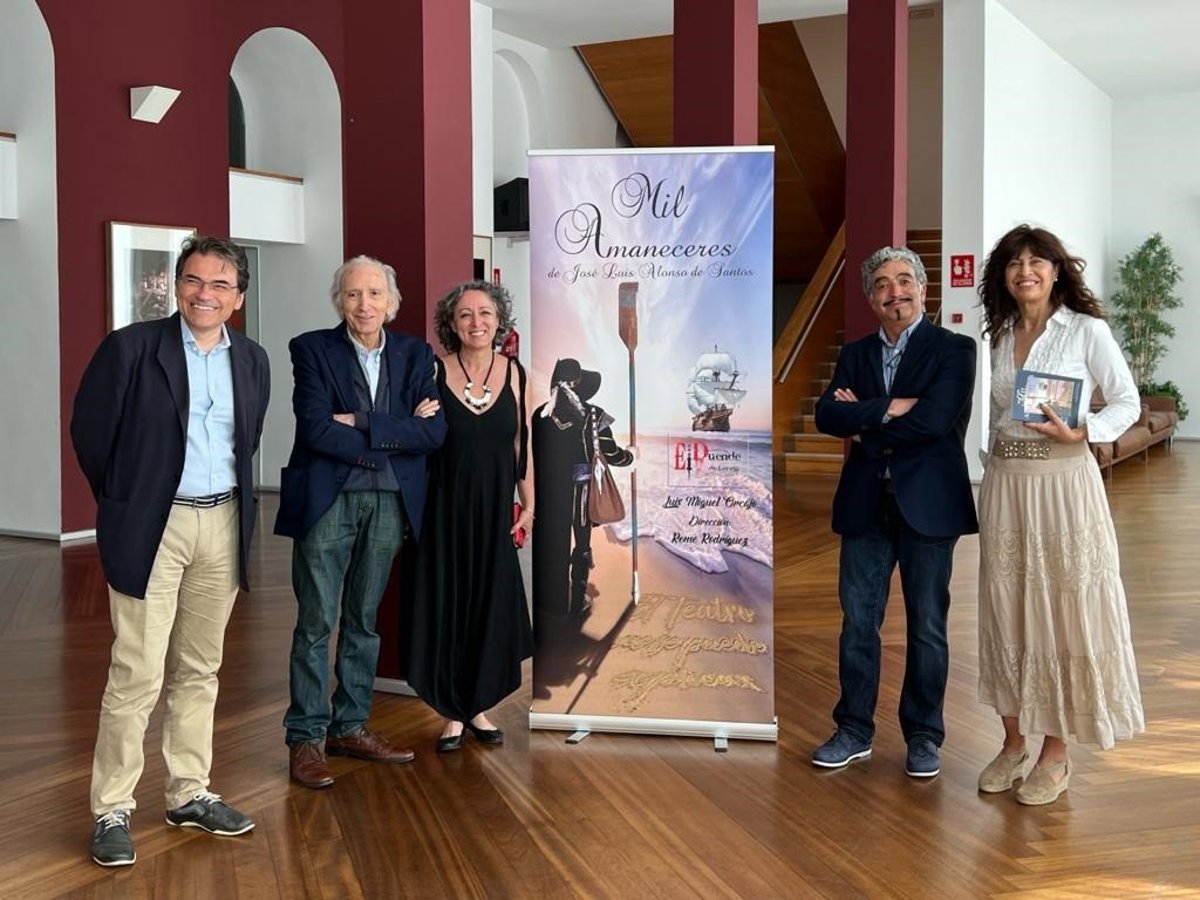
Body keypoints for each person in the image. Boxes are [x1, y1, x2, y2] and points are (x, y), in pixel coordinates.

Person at [71, 235, 271, 867]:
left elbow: (247, 439)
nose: (204, 294)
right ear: (177, 285)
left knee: (201, 669)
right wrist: (127, 500)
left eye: (220, 284)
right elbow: (91, 434)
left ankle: (188, 792)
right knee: (137, 671)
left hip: (224, 522)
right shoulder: (131, 348)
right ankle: (112, 808)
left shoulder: (253, 359)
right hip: (154, 525)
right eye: (193, 280)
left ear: (238, 298)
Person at [975, 224, 1144, 805]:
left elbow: (1127, 401)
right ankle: (1013, 744)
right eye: (1014, 263)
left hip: (1064, 485)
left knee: (1061, 608)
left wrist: (1084, 431)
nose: (1025, 271)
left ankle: (1055, 753)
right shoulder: (1002, 333)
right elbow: (999, 413)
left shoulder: (1086, 330)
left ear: (1055, 270)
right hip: (1006, 485)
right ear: (1004, 276)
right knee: (1007, 610)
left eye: (1036, 261)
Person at [275, 256, 445, 789]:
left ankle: (349, 727)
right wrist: (392, 434)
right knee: (315, 623)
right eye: (353, 294)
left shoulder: (415, 354)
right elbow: (315, 429)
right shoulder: (310, 349)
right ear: (339, 301)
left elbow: (432, 434)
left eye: (374, 294)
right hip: (327, 499)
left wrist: (363, 423)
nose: (364, 304)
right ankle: (306, 737)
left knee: (363, 621)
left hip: (390, 503)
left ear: (391, 302)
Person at [812, 245, 978, 778]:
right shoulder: (855, 353)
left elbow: (935, 422)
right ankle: (853, 730)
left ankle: (924, 736)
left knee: (927, 627)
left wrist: (865, 424)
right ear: (871, 297)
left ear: (923, 289)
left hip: (929, 507)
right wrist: (890, 407)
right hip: (866, 506)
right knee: (858, 624)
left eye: (904, 280)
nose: (894, 291)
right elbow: (826, 416)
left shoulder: (955, 349)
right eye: (882, 284)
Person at [405, 280, 534, 752]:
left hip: (495, 511)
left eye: (485, 313)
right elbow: (416, 438)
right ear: (451, 324)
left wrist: (530, 505)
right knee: (447, 605)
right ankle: (452, 714)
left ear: (499, 322)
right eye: (465, 315)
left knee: (487, 605)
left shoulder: (518, 375)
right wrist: (417, 418)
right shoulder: (432, 371)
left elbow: (522, 447)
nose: (476, 322)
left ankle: (477, 707)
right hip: (441, 509)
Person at [532, 358, 634, 621]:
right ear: (579, 384)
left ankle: (551, 600)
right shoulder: (594, 415)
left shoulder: (541, 416)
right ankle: (577, 600)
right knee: (582, 543)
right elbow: (612, 454)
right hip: (581, 492)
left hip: (549, 494)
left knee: (552, 542)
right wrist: (632, 456)